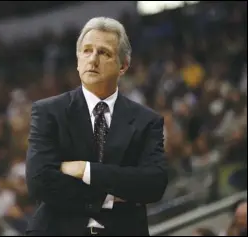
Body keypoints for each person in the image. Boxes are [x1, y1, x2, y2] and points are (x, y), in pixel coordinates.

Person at [25, 17, 168, 236]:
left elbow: (153, 184)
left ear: (123, 66)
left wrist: (86, 170)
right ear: (77, 60)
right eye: (86, 51)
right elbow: (39, 181)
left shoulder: (147, 121)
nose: (93, 60)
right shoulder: (48, 111)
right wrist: (107, 197)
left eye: (104, 53)